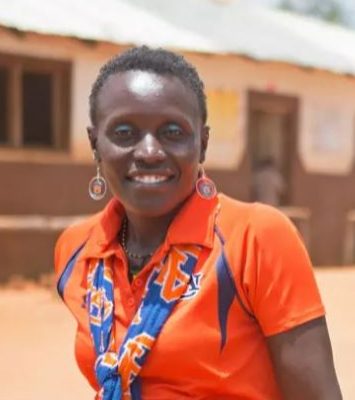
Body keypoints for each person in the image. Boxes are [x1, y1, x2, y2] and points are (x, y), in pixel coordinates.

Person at [54, 46, 342, 400]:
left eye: (172, 132)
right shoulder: (77, 250)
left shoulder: (255, 238)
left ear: (202, 144)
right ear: (95, 144)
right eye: (125, 132)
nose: (149, 152)